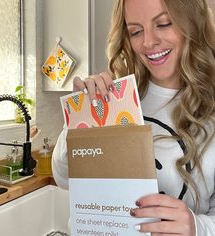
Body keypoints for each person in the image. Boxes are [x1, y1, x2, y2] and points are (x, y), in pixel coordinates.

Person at [52, 0, 215, 235]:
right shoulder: (115, 98)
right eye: (136, 31)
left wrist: (198, 228)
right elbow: (63, 178)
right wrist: (81, 119)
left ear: (192, 23)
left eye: (164, 23)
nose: (148, 42)